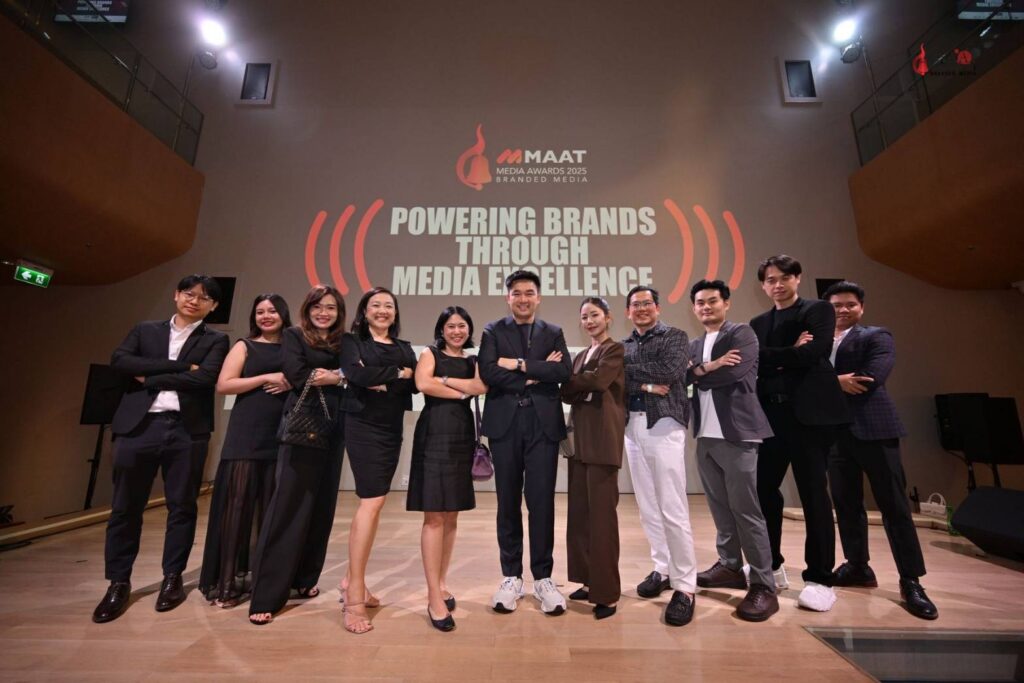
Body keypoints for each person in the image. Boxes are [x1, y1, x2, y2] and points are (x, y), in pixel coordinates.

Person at [92, 274, 229, 624]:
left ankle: (172, 578)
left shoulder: (216, 340)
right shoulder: (145, 330)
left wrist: (149, 376)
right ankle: (118, 582)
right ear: (176, 295)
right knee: (125, 508)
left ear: (213, 306)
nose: (194, 300)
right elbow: (121, 361)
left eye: (204, 297)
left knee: (182, 506)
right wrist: (181, 366)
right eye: (189, 293)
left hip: (187, 430)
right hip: (137, 427)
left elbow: (206, 378)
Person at [823, 281, 938, 620]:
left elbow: (870, 379)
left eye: (850, 304)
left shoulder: (876, 336)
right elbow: (803, 381)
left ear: (861, 308)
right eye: (836, 305)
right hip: (834, 435)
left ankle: (911, 580)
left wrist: (826, 384)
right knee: (846, 505)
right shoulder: (817, 342)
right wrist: (835, 382)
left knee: (895, 507)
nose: (843, 310)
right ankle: (858, 566)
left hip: (876, 432)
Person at [749, 255, 850, 612]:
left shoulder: (818, 310)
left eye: (784, 278)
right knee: (763, 491)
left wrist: (777, 356)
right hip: (770, 418)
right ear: (763, 285)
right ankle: (771, 565)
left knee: (813, 496)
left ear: (797, 278)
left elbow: (815, 352)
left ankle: (820, 578)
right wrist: (792, 350)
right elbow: (755, 361)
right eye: (770, 280)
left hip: (810, 419)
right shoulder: (758, 322)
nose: (777, 284)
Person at [248, 285, 348, 626]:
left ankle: (306, 578)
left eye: (331, 307)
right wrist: (335, 377)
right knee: (288, 507)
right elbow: (298, 373)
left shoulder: (345, 341)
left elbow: (355, 373)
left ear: (339, 312)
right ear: (307, 309)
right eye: (318, 306)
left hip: (336, 427)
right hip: (302, 428)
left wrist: (336, 377)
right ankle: (266, 595)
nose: (324, 312)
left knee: (322, 507)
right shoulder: (294, 335)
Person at [478, 270, 572, 615]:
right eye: (516, 293)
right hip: (505, 425)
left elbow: (562, 372)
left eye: (529, 293)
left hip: (542, 425)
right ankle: (511, 576)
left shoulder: (553, 332)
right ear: (508, 297)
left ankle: (543, 578)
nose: (523, 299)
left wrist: (517, 365)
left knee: (541, 502)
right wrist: (533, 375)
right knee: (507, 502)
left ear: (538, 297)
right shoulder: (492, 330)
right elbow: (488, 371)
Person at [686, 280, 778, 622]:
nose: (706, 307)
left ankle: (764, 585)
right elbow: (683, 378)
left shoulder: (742, 334)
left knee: (746, 511)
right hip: (705, 437)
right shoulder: (695, 343)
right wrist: (711, 367)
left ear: (726, 303)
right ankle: (729, 566)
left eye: (712, 301)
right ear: (694, 308)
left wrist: (699, 373)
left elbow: (735, 372)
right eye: (700, 302)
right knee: (720, 509)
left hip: (738, 434)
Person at [198, 294, 292, 608]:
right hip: (247, 433)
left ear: (283, 314)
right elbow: (223, 385)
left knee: (270, 511)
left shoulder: (293, 345)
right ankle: (226, 584)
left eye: (272, 311)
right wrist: (265, 377)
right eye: (260, 311)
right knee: (237, 509)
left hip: (282, 434)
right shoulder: (244, 346)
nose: (266, 316)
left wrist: (289, 382)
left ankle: (263, 582)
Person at [339, 287, 418, 634]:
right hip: (361, 426)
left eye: (389, 305)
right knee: (370, 502)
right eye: (376, 305)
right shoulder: (351, 342)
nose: (383, 310)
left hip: (391, 429)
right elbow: (355, 376)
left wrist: (382, 377)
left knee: (377, 501)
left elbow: (414, 385)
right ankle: (354, 595)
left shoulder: (404, 348)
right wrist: (396, 374)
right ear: (364, 311)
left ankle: (348, 580)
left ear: (395, 313)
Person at [621, 285, 698, 627]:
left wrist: (630, 373)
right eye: (635, 304)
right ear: (627, 311)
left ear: (657, 307)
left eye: (647, 303)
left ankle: (685, 586)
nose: (641, 308)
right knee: (648, 506)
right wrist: (646, 384)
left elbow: (670, 371)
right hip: (632, 427)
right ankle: (662, 568)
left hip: (664, 424)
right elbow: (615, 379)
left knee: (672, 506)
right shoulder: (623, 345)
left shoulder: (675, 336)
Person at [408, 306, 488, 632]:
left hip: (461, 435)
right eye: (451, 326)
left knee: (452, 514)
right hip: (433, 433)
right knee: (434, 516)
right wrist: (460, 390)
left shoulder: (473, 359)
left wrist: (444, 381)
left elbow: (480, 387)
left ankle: (441, 583)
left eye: (462, 326)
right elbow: (422, 383)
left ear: (469, 329)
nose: (457, 331)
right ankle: (433, 596)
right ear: (441, 329)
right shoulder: (429, 353)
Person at [560, 297, 625, 620]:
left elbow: (599, 382)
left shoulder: (615, 350)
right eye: (584, 316)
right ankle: (588, 581)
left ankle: (607, 594)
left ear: (608, 317)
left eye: (595, 315)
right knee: (580, 517)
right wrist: (580, 382)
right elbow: (567, 392)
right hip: (580, 445)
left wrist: (578, 382)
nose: (589, 321)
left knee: (602, 521)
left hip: (602, 442)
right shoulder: (580, 355)